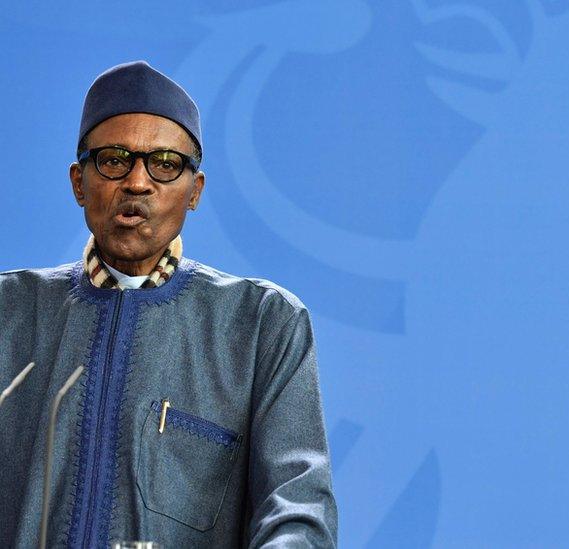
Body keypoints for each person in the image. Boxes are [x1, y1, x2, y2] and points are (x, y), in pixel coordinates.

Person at [0, 61, 337, 547]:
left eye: (164, 164)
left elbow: (298, 511)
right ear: (79, 182)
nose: (137, 183)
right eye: (114, 160)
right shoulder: (10, 312)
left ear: (194, 191)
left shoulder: (262, 324)